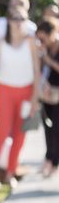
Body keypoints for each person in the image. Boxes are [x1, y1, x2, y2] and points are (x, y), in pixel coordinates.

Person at [0, 6, 40, 189]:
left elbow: (37, 72)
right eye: (14, 18)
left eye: (22, 18)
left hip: (26, 92)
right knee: (3, 131)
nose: (18, 22)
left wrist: (35, 99)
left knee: (20, 135)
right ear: (8, 21)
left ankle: (10, 173)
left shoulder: (31, 42)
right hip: (5, 91)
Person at [0, 0, 37, 135]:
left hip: (22, 81)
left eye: (17, 4)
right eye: (12, 5)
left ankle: (12, 137)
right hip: (1, 75)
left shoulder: (31, 29)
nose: (14, 8)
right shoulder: (1, 23)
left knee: (20, 119)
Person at [36, 19, 59, 177]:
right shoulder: (45, 49)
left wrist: (48, 60)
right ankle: (48, 158)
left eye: (43, 37)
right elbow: (40, 70)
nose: (41, 41)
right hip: (47, 93)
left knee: (57, 129)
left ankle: (53, 162)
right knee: (47, 128)